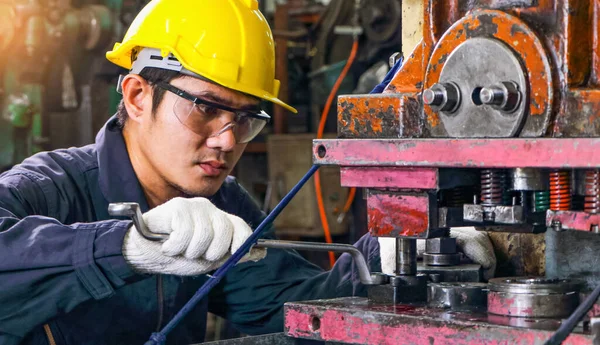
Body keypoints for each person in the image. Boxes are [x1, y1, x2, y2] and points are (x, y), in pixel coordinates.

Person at [0, 1, 496, 344]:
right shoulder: (48, 188)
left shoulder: (225, 207)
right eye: (205, 108)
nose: (227, 140)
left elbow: (287, 301)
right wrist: (127, 246)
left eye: (245, 118)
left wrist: (396, 253)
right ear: (136, 96)